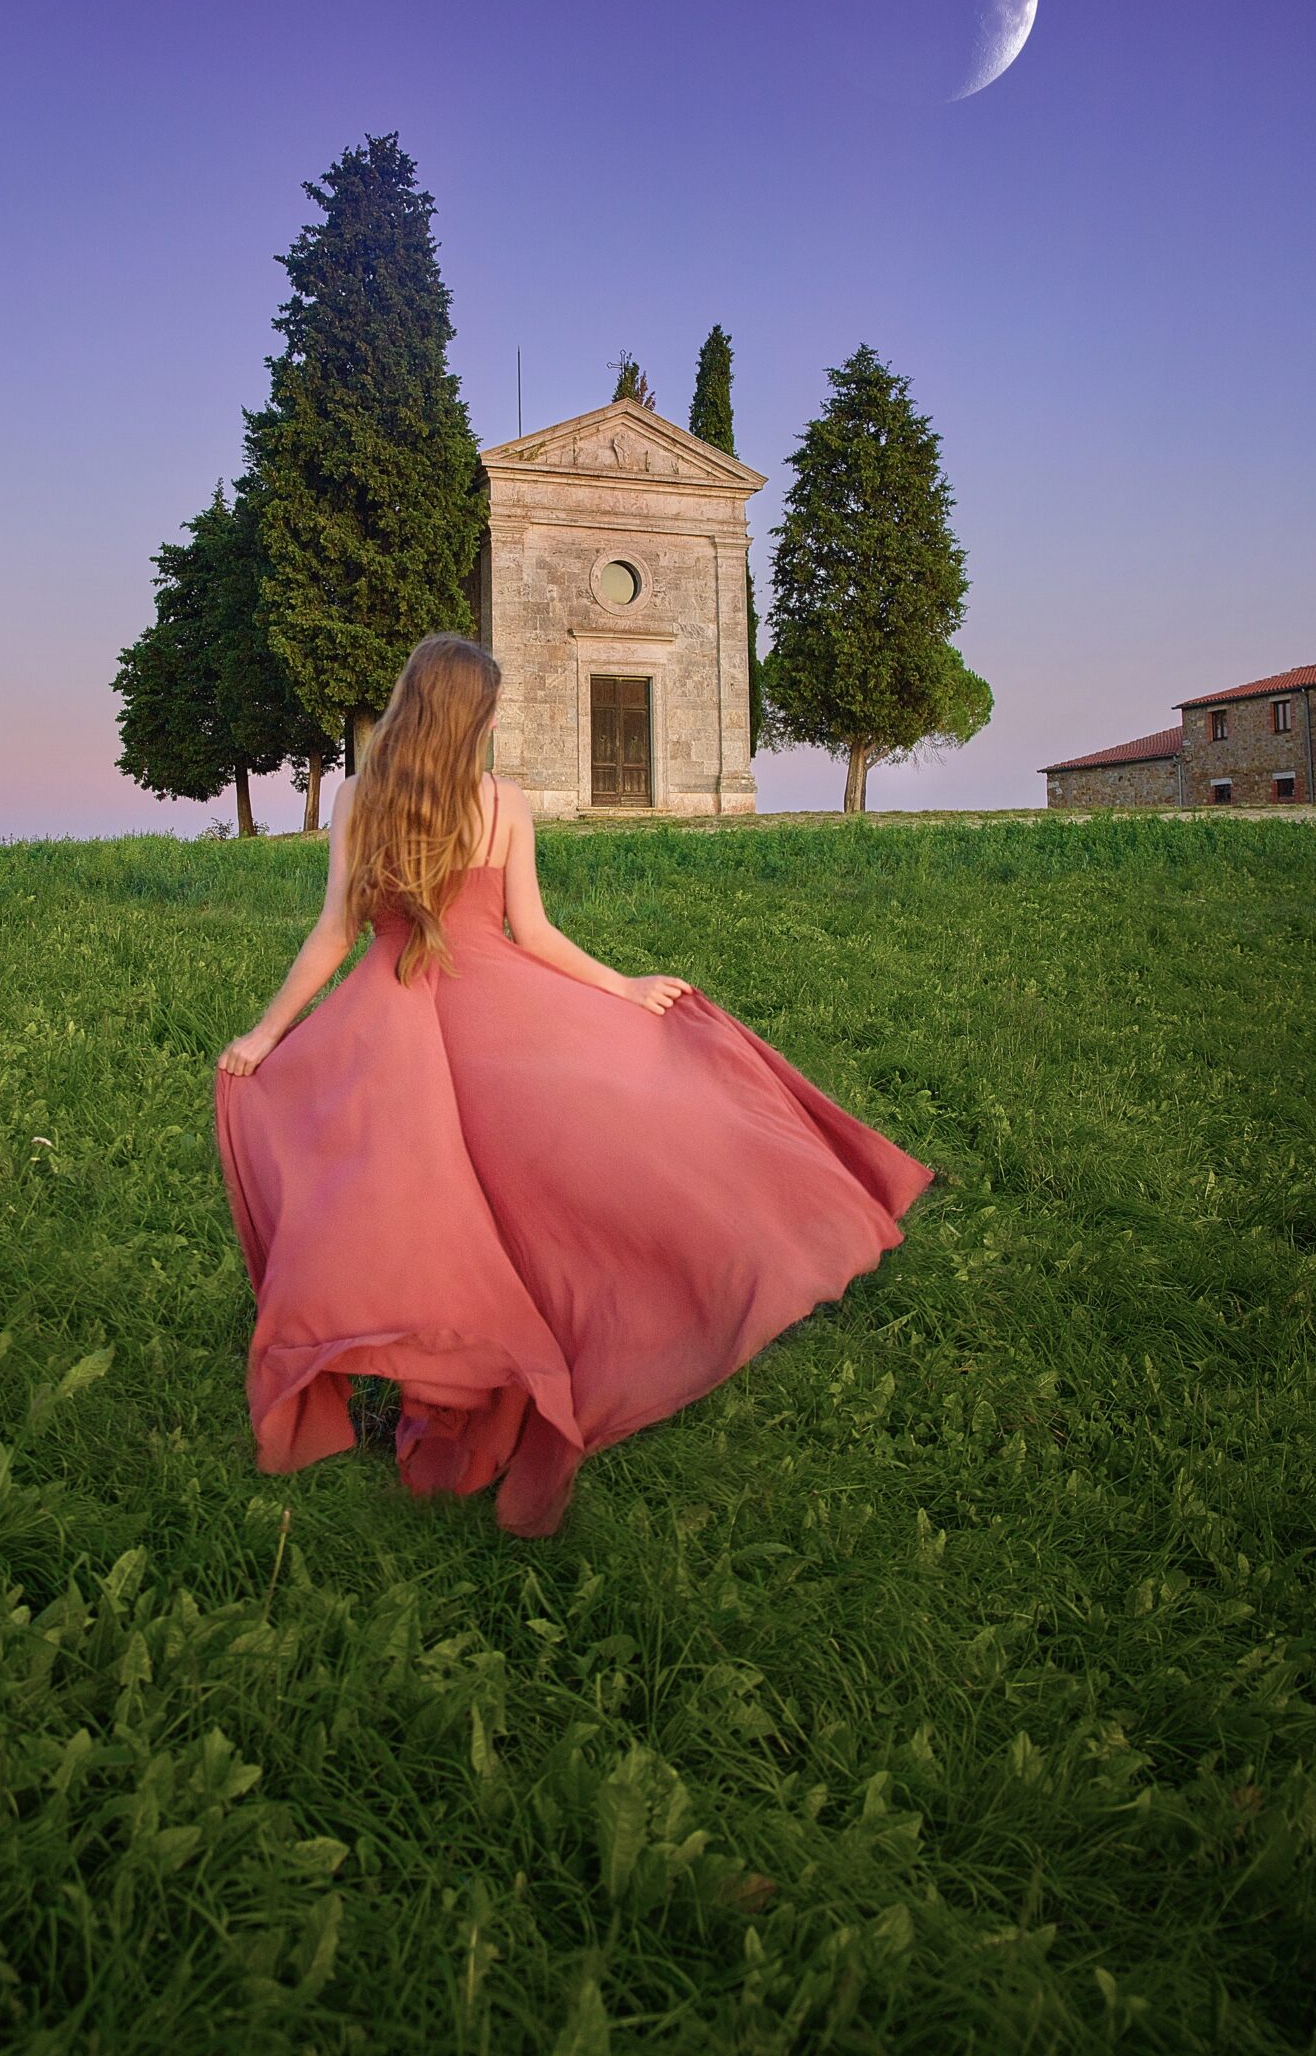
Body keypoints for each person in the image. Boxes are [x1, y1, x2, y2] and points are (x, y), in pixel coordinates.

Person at [214, 632, 931, 1537]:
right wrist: (621, 991)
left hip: (385, 1015)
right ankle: (546, 1324)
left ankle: (441, 1339)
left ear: (408, 702)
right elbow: (533, 934)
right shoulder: (501, 803)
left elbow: (333, 933)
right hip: (488, 1006)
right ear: (474, 717)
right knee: (543, 1166)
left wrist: (267, 1033)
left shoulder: (360, 795)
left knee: (405, 1191)